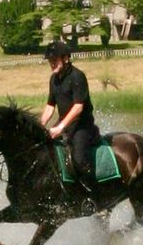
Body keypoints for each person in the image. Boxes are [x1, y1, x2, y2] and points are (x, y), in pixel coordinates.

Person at [40, 40, 100, 212]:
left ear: (66, 58)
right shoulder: (54, 79)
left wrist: (60, 127)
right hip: (64, 125)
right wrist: (39, 126)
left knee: (79, 159)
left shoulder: (77, 76)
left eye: (55, 59)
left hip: (82, 126)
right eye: (50, 61)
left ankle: (93, 197)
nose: (52, 63)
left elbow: (78, 107)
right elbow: (50, 106)